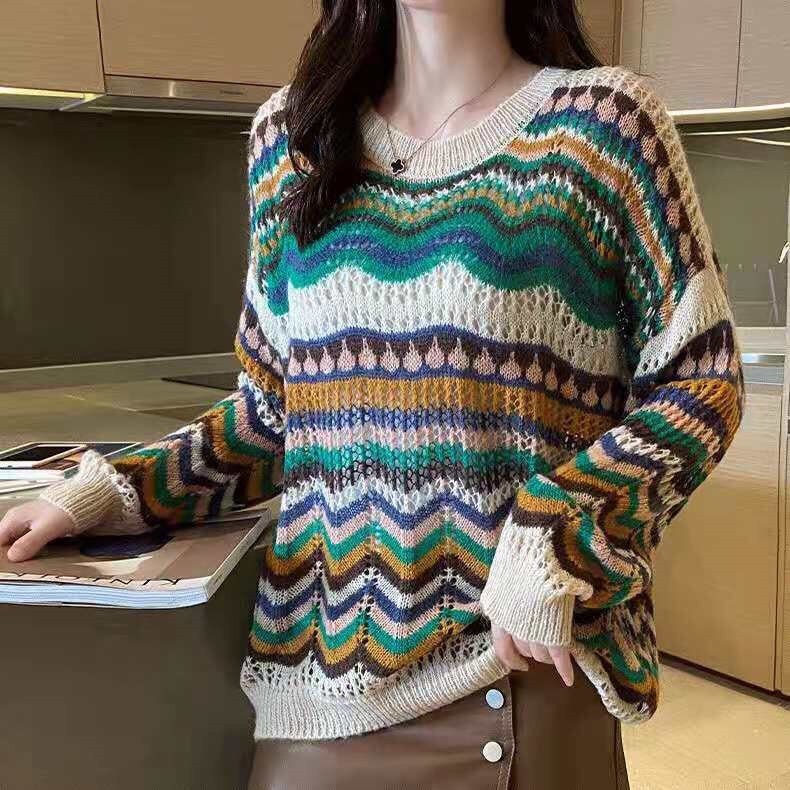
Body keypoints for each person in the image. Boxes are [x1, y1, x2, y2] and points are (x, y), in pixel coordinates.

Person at [0, 0, 745, 787]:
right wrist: (119, 492)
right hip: (318, 684)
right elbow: (271, 413)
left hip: (515, 676)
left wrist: (559, 529)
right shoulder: (291, 139)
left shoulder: (606, 126)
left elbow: (703, 379)